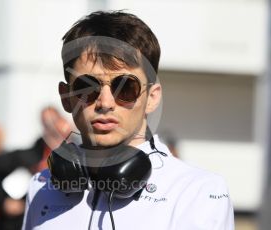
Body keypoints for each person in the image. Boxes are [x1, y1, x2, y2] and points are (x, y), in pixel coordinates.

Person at [22, 11, 234, 230]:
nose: (106, 102)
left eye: (125, 87)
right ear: (66, 97)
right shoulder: (40, 188)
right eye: (87, 87)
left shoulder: (198, 192)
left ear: (152, 98)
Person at [0, 107, 72, 230]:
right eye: (46, 123)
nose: (51, 126)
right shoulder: (26, 157)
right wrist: (3, 201)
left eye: (54, 120)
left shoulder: (78, 156)